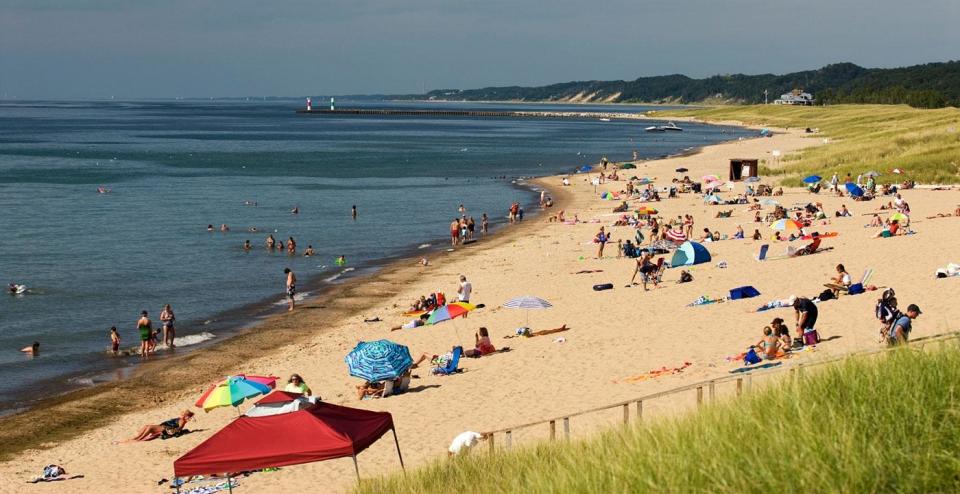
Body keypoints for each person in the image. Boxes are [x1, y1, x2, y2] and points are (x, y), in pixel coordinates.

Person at [119, 410, 194, 443]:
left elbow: (179, 428)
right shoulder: (182, 419)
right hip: (164, 426)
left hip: (165, 428)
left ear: (186, 416)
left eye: (185, 414)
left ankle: (139, 438)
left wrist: (172, 430)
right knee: (147, 426)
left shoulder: (182, 420)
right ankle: (138, 436)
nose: (183, 414)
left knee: (150, 428)